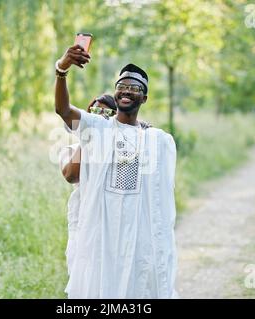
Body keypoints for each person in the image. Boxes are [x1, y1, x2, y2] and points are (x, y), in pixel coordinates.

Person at [54, 44, 178, 298]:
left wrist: (141, 133)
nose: (127, 91)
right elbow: (63, 110)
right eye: (122, 86)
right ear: (115, 91)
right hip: (101, 235)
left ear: (144, 98)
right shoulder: (97, 128)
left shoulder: (157, 140)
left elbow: (159, 197)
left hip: (137, 239)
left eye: (135, 88)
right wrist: (61, 70)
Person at [59, 94, 151, 293]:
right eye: (95, 111)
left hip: (114, 226)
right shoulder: (73, 148)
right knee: (84, 279)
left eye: (106, 112)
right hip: (83, 224)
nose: (100, 115)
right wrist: (89, 137)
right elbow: (71, 174)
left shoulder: (123, 150)